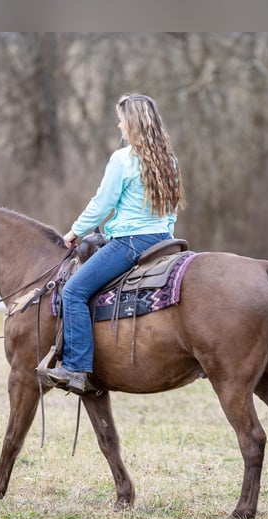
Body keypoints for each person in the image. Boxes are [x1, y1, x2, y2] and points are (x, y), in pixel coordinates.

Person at [46, 93, 185, 394]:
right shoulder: (168, 161)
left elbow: (102, 204)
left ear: (131, 123)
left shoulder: (123, 159)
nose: (118, 124)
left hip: (130, 242)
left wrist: (74, 232)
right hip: (163, 241)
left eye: (121, 118)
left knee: (73, 292)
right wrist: (168, 236)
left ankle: (76, 368)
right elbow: (171, 209)